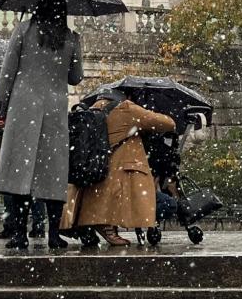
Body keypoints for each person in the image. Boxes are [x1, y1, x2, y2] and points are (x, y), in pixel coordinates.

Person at [0, 0, 84, 250]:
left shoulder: (23, 30)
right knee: (52, 171)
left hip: (23, 107)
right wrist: (75, 48)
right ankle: (53, 234)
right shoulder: (71, 37)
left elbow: (8, 72)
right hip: (54, 109)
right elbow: (75, 78)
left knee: (19, 172)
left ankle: (20, 234)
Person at [62, 91, 176, 245]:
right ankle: (107, 227)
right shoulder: (127, 108)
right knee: (167, 204)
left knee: (102, 202)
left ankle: (89, 224)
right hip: (120, 173)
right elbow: (168, 123)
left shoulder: (92, 110)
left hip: (98, 171)